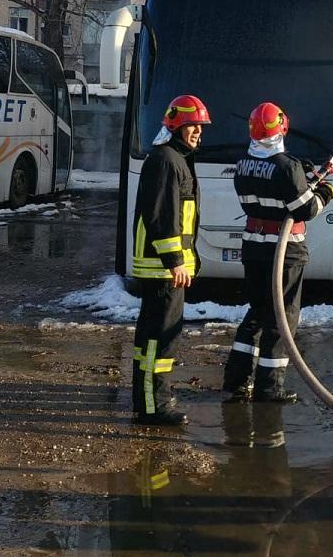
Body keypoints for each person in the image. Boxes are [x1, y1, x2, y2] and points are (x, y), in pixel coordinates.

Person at [221, 102, 333, 404]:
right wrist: (324, 194)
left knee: (258, 312)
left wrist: (304, 177)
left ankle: (236, 379)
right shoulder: (287, 167)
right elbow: (304, 209)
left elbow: (273, 193)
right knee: (282, 318)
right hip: (285, 252)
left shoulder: (243, 163)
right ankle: (269, 387)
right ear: (281, 128)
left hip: (254, 248)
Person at [129, 94, 211, 426]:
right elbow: (162, 216)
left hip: (165, 267)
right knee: (159, 339)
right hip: (163, 269)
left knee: (155, 337)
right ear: (177, 125)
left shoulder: (175, 158)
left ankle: (151, 399)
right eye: (193, 126)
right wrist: (174, 260)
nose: (198, 133)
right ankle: (154, 406)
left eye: (201, 128)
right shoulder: (167, 160)